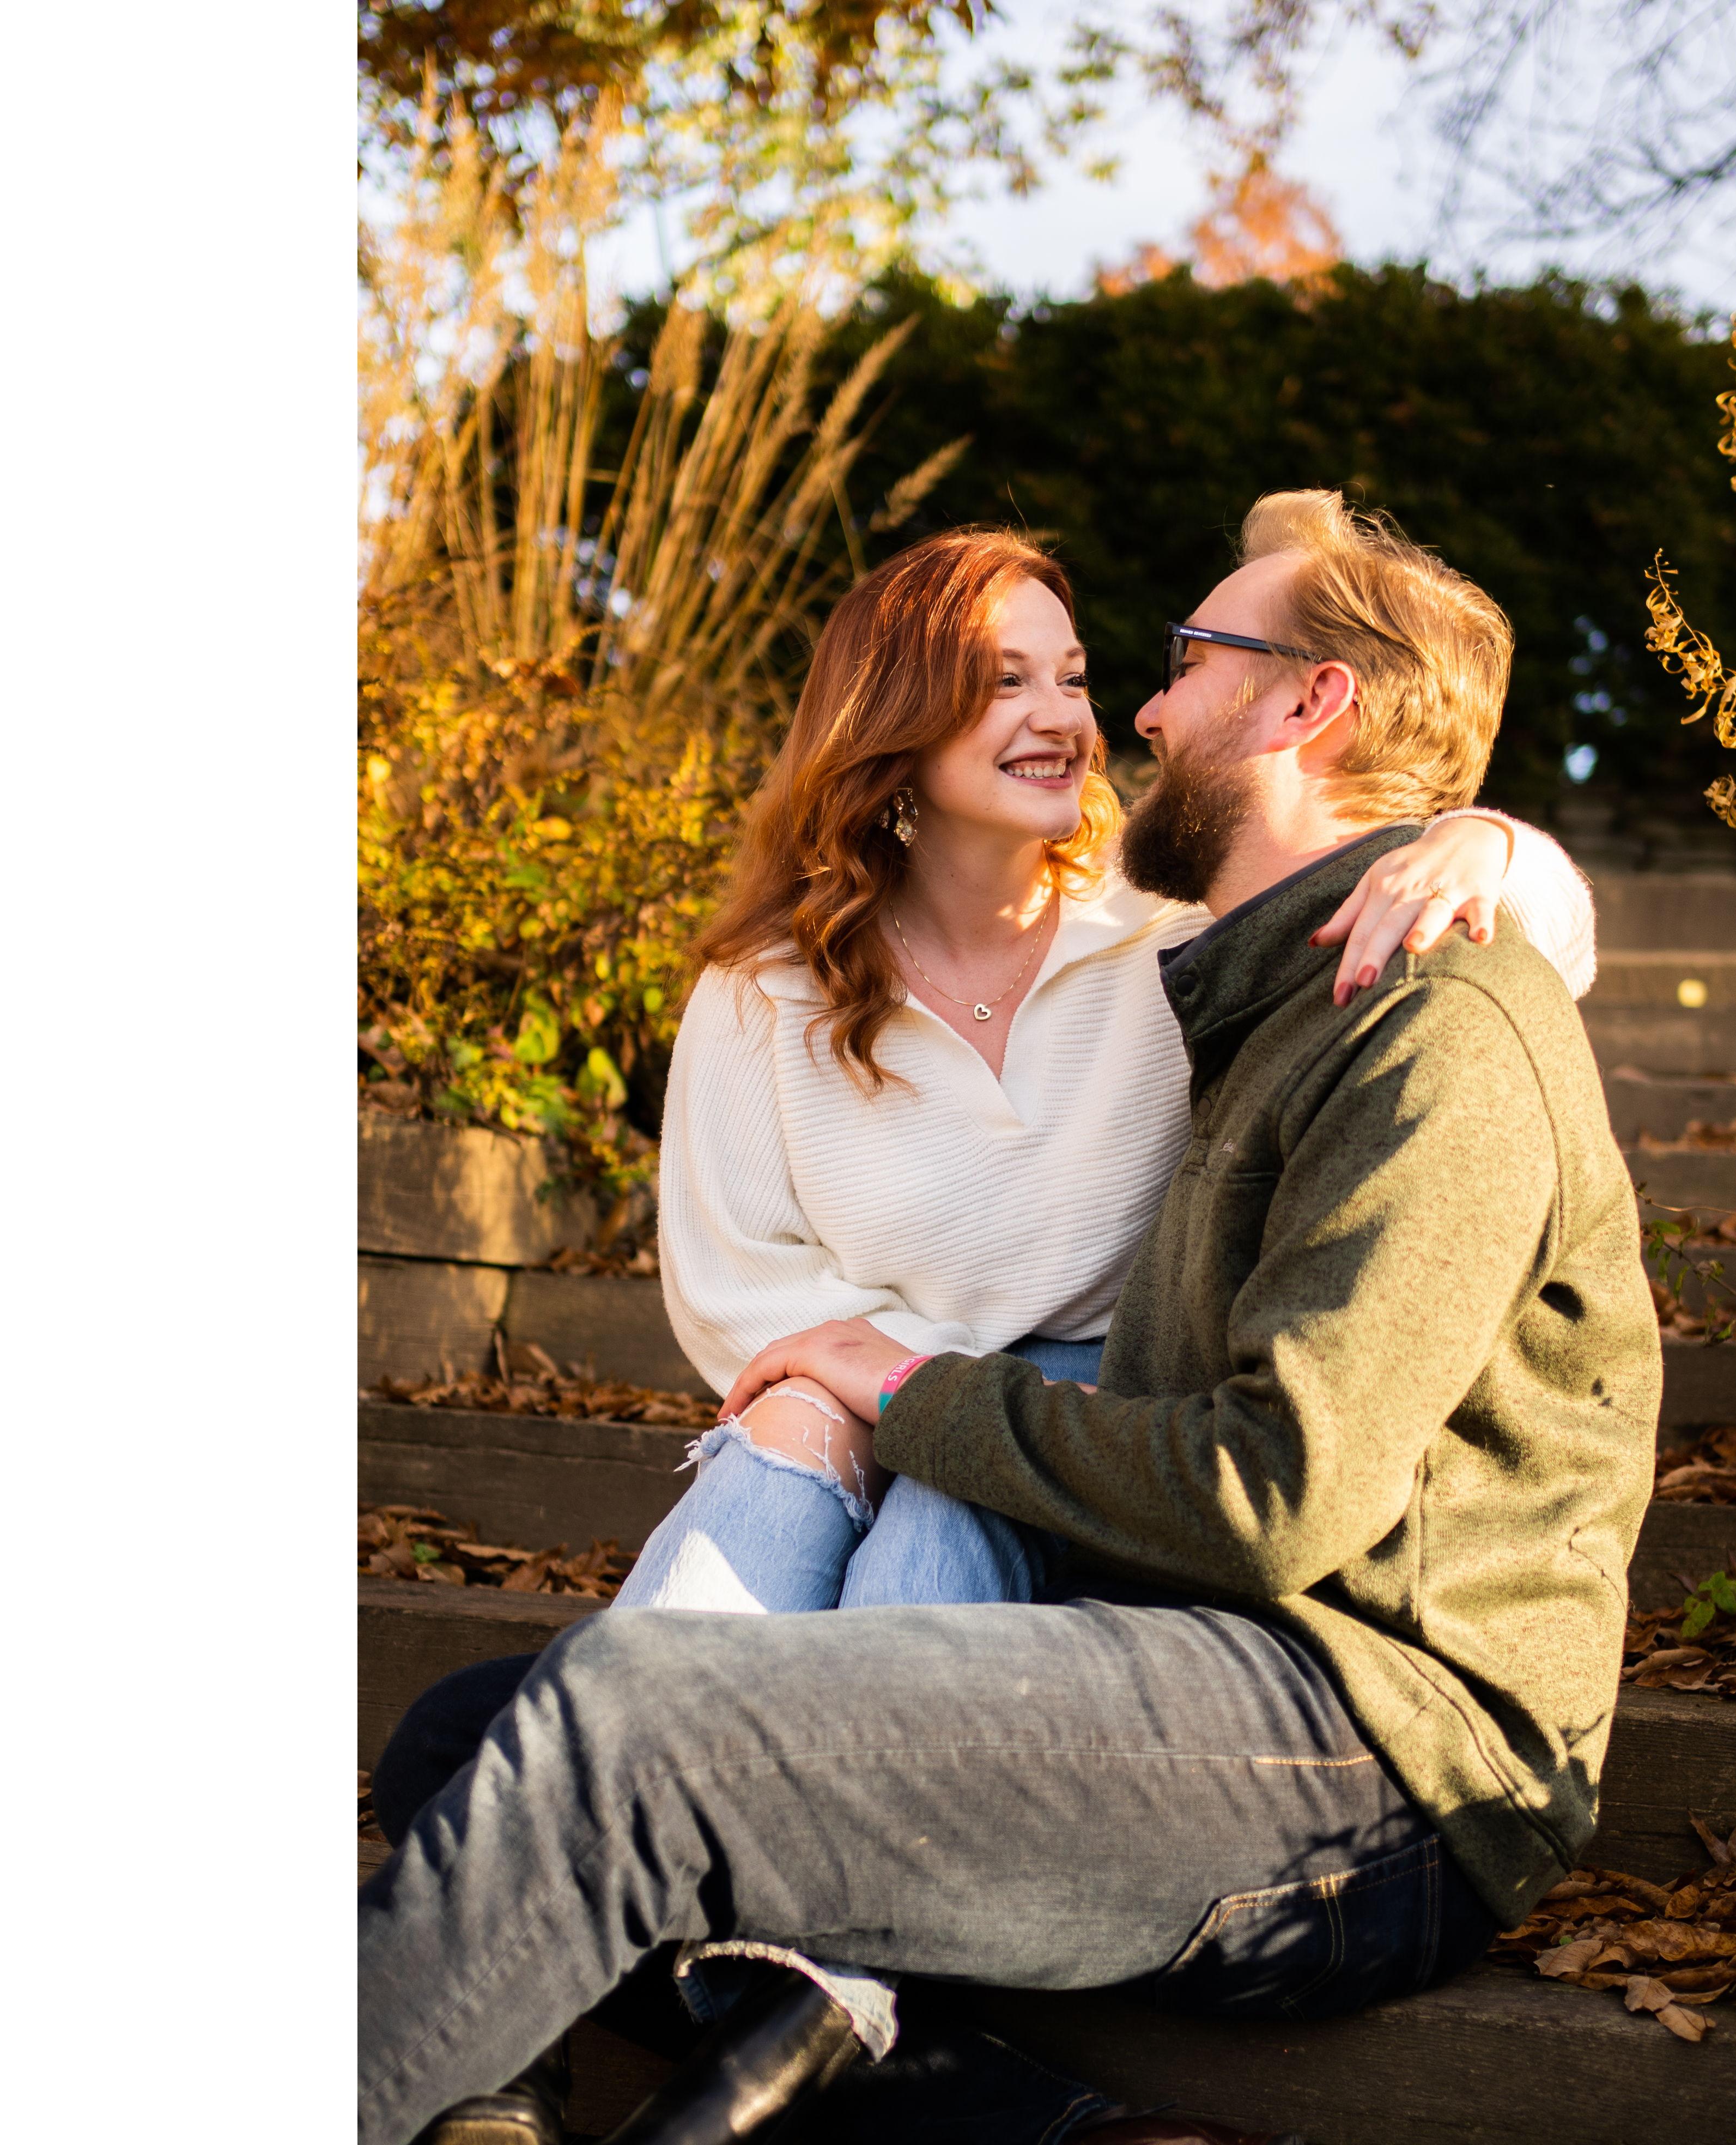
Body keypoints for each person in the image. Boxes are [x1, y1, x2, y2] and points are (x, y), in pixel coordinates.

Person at [359, 492, 1659, 2145]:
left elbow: (1275, 1495)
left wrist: (1501, 842)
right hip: (1196, 1631)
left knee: (630, 1728)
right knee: (479, 1735)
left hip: (1384, 1742)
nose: (1139, 714)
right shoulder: (1252, 993)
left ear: (1310, 702)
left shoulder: (1426, 1022)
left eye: (1181, 663)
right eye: (1025, 681)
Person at [607, 525, 1595, 1622]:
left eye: (1073, 679)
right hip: (854, 1395)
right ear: (891, 718)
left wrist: (1487, 846)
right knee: (766, 1476)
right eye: (1006, 682)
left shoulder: (1168, 913)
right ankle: (620, 1722)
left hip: (1098, 1412)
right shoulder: (765, 988)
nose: (1066, 718)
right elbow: (738, 1287)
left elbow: (1532, 956)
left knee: (931, 1536)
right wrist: (907, 1388)